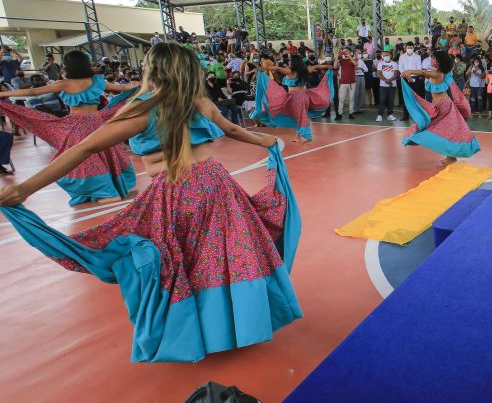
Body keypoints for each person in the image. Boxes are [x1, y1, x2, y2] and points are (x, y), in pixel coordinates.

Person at [0, 41, 302, 363]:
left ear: (153, 70)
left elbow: (83, 149)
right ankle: (238, 325)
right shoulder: (199, 102)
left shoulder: (143, 108)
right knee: (223, 260)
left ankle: (195, 334)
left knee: (181, 264)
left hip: (175, 193)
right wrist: (266, 140)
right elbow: (231, 129)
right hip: (215, 187)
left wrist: (26, 188)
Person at [0, 50, 137, 205]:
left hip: (76, 127)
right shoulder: (98, 81)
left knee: (82, 160)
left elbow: (32, 92)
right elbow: (123, 89)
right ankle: (111, 189)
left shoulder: (64, 84)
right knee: (106, 154)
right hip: (97, 123)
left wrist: (2, 95)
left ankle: (107, 192)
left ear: (68, 66)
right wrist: (139, 85)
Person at [400, 51, 479, 166]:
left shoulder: (439, 74)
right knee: (448, 131)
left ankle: (448, 155)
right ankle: (450, 157)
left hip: (443, 106)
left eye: (434, 57)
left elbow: (423, 72)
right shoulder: (440, 73)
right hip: (441, 105)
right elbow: (423, 73)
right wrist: (409, 76)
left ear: (439, 61)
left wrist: (409, 71)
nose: (432, 59)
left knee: (435, 128)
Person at [251, 55, 334, 143]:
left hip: (296, 97)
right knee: (299, 116)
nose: (289, 62)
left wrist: (264, 66)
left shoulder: (290, 71)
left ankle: (308, 136)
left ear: (293, 62)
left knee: (298, 115)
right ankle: (298, 137)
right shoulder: (306, 70)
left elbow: (277, 68)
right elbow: (317, 66)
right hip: (305, 96)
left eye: (290, 61)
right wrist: (328, 66)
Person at [375, 48, 399, 122]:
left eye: (387, 55)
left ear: (390, 55)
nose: (386, 56)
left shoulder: (394, 63)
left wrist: (389, 80)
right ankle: (380, 115)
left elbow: (396, 74)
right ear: (382, 56)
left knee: (391, 101)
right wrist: (386, 80)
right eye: (384, 55)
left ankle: (390, 115)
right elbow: (378, 73)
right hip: (383, 86)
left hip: (392, 85)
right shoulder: (380, 63)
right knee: (382, 100)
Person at [334, 47, 357, 120]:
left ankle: (351, 113)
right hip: (343, 82)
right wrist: (337, 56)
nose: (345, 53)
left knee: (351, 98)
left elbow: (355, 63)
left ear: (350, 52)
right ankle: (339, 114)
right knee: (341, 98)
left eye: (346, 51)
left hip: (352, 82)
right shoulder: (341, 60)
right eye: (344, 52)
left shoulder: (353, 59)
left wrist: (349, 56)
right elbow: (335, 66)